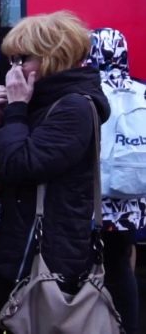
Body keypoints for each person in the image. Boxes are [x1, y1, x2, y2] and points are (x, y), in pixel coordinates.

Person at [0, 11, 110, 334]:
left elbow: (22, 165)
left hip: (45, 252)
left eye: (22, 59)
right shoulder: (38, 101)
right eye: (11, 60)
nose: (13, 70)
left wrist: (16, 110)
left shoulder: (74, 107)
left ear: (51, 57)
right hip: (14, 244)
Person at [87, 27, 141, 334]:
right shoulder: (140, 89)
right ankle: (127, 326)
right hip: (131, 194)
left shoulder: (88, 92)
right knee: (121, 262)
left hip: (96, 196)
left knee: (89, 263)